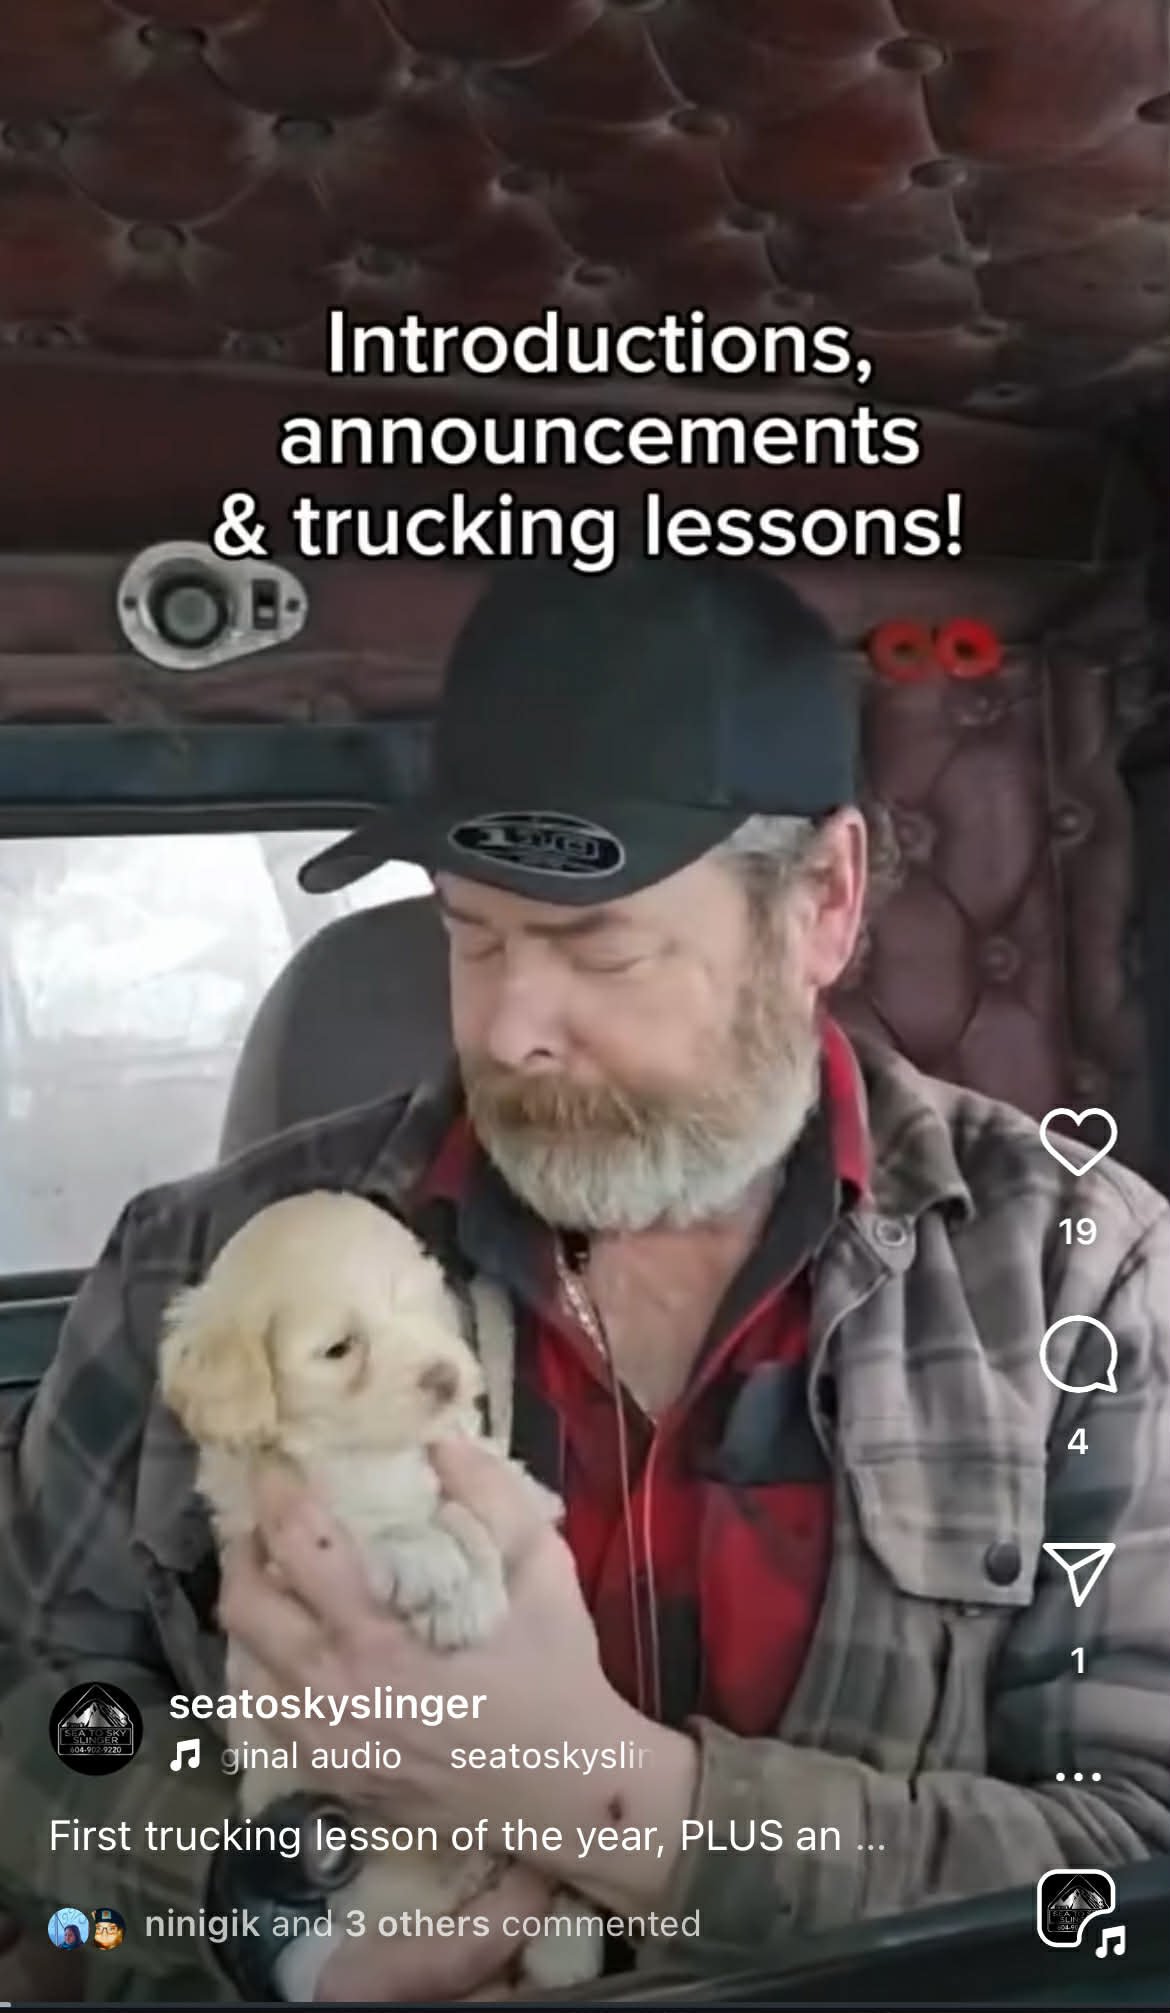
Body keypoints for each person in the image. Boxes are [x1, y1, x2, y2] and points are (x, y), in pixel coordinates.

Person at [1, 559, 1168, 2006]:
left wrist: (612, 1797)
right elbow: (40, 1732)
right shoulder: (198, 1264)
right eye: (467, 932)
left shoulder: (1080, 1274)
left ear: (823, 902)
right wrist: (283, 1922)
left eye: (593, 944)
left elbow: (1131, 1865)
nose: (510, 1025)